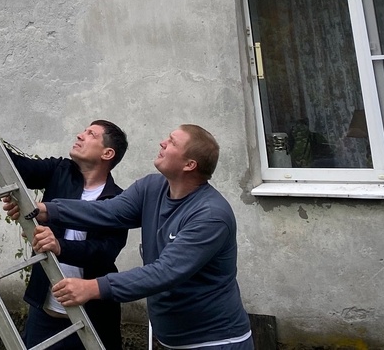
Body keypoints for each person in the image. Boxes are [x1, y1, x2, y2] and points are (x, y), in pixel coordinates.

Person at [14, 125, 254, 350]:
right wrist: (48, 209)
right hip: (171, 337)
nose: (162, 142)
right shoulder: (152, 187)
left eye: (171, 142)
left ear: (189, 164)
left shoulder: (210, 216)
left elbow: (164, 272)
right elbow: (108, 211)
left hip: (215, 340)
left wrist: (94, 287)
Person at [0, 110, 128, 350]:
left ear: (107, 153)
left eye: (91, 134)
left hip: (93, 316)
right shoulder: (60, 170)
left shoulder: (118, 200)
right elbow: (18, 168)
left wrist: (59, 246)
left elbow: (104, 252)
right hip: (47, 314)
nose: (80, 135)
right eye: (84, 130)